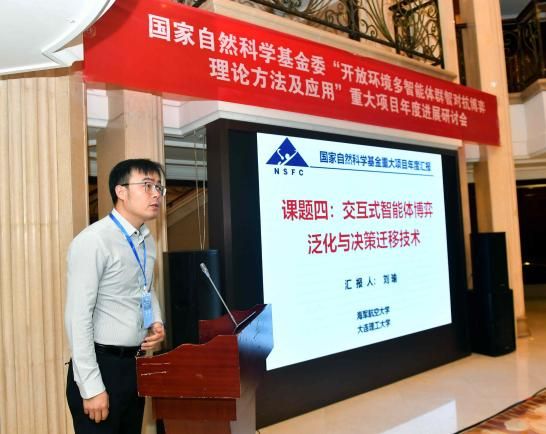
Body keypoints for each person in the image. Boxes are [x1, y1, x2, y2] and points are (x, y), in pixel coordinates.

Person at [65, 159, 167, 434]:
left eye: (159, 187)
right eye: (147, 185)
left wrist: (155, 321)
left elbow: (146, 287)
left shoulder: (146, 239)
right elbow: (77, 317)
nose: (156, 194)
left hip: (134, 366)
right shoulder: (93, 241)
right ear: (121, 191)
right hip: (101, 366)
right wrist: (91, 388)